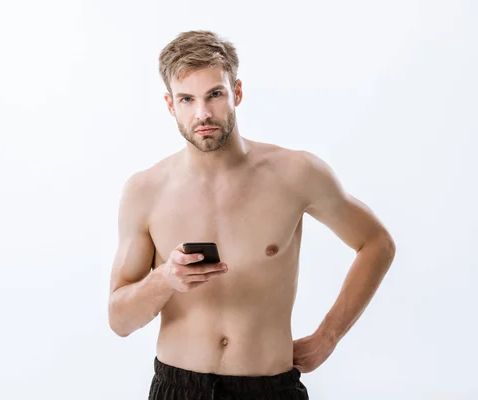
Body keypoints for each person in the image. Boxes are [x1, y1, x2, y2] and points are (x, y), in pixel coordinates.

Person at [107, 30, 396, 400]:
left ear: (237, 92)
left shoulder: (296, 173)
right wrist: (165, 279)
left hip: (269, 387)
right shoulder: (144, 191)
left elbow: (376, 243)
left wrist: (329, 336)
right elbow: (119, 321)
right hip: (179, 387)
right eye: (187, 99)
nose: (203, 113)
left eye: (215, 94)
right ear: (170, 105)